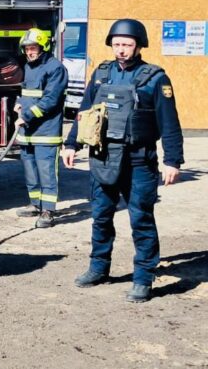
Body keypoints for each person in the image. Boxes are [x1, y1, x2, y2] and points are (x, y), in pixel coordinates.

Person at [63, 19, 183, 303]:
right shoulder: (102, 73)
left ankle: (143, 278)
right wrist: (71, 143)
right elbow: (85, 113)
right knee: (101, 217)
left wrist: (173, 160)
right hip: (103, 158)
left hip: (139, 161)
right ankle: (98, 268)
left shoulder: (155, 79)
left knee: (141, 219)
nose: (121, 50)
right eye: (117, 44)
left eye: (127, 45)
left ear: (138, 45)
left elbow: (169, 122)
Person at [13, 28, 68, 228]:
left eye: (33, 47)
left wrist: (26, 116)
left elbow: (50, 101)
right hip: (28, 131)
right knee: (30, 169)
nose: (29, 52)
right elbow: (27, 91)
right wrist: (19, 102)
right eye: (27, 48)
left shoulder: (56, 68)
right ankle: (35, 204)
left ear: (43, 46)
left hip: (46, 131)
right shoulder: (29, 66)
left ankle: (48, 211)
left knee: (46, 171)